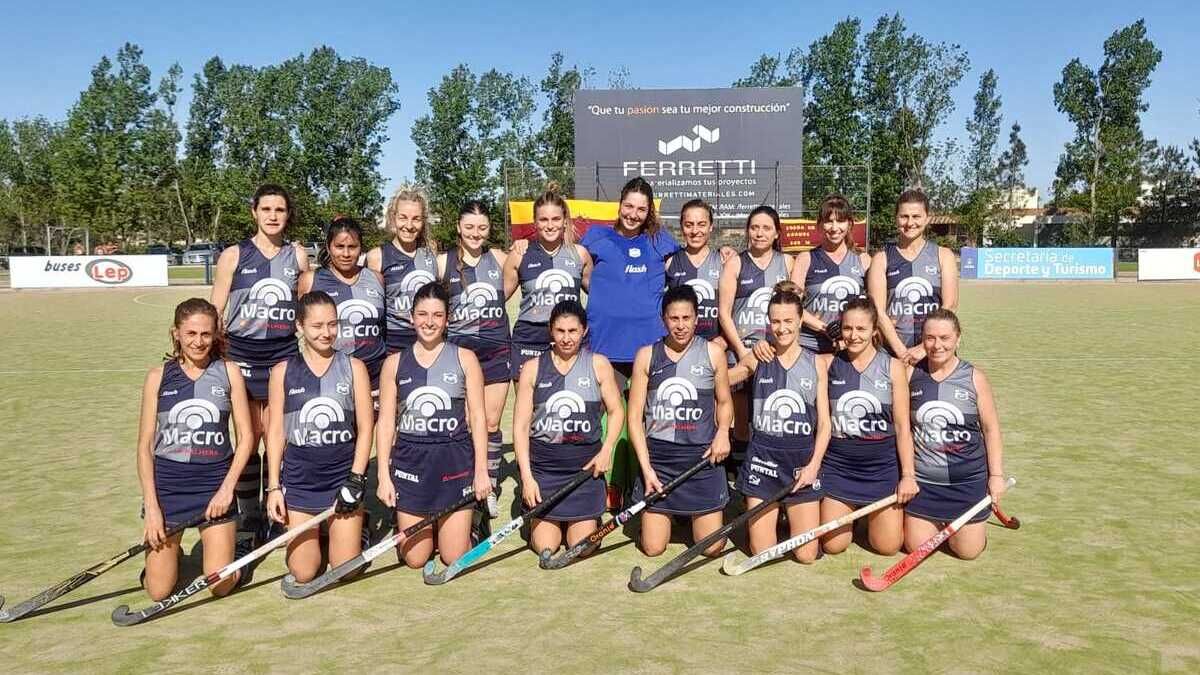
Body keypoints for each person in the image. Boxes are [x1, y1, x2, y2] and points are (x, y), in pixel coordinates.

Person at [135, 298, 255, 600]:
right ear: (176, 333)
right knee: (158, 592)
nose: (198, 342)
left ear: (215, 335)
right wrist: (152, 507)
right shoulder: (158, 376)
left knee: (220, 585)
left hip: (214, 485)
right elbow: (145, 446)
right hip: (169, 488)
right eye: (190, 333)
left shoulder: (229, 371)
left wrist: (227, 490)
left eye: (205, 334)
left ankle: (238, 549)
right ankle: (166, 558)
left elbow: (246, 438)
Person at [210, 183, 309, 543]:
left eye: (279, 210)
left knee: (279, 436)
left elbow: (306, 309)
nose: (272, 216)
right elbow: (216, 310)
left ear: (288, 214)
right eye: (266, 209)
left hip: (283, 354)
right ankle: (250, 513)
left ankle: (276, 503)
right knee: (249, 438)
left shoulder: (298, 256)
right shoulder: (233, 255)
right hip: (242, 356)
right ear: (254, 212)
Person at [375, 282, 491, 568]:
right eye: (423, 314)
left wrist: (481, 471)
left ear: (447, 319)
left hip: (454, 462)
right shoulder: (393, 363)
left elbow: (478, 418)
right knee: (415, 559)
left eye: (438, 315)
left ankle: (475, 522)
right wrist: (383, 476)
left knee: (453, 557)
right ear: (411, 317)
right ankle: (419, 523)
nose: (429, 322)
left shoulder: (465, 358)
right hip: (411, 463)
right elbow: (386, 422)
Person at [264, 292, 374, 583]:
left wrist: (356, 479)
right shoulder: (282, 372)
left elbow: (366, 428)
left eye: (332, 324)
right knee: (303, 572)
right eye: (317, 326)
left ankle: (358, 529)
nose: (326, 333)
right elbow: (276, 432)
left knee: (345, 570)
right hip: (301, 478)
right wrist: (274, 487)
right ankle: (325, 531)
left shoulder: (354, 367)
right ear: (299, 326)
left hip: (341, 475)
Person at [512, 300, 625, 555]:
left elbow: (617, 411)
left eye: (572, 331)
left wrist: (606, 450)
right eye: (560, 331)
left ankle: (588, 517)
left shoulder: (598, 364)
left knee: (581, 547)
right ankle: (540, 521)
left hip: (584, 471)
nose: (566, 338)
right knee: (546, 546)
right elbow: (520, 427)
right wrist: (527, 478)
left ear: (584, 330)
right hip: (545, 470)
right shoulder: (532, 368)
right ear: (551, 331)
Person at [627, 286, 733, 557]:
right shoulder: (646, 355)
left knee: (711, 548)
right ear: (663, 319)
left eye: (686, 318)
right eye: (674, 318)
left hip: (701, 459)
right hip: (660, 461)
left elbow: (724, 402)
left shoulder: (713, 353)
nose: (681, 325)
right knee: (653, 548)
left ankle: (696, 517)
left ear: (697, 319)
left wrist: (723, 433)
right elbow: (635, 418)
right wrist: (646, 468)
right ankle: (668, 517)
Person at [728, 282, 829, 562]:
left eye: (788, 321)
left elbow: (825, 426)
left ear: (800, 320)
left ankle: (790, 517)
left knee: (806, 555)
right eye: (775, 322)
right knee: (762, 552)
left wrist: (813, 467)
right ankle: (770, 518)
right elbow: (721, 381)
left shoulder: (816, 363)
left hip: (801, 463)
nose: (782, 328)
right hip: (763, 460)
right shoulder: (759, 357)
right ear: (768, 323)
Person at [904, 309, 1007, 559]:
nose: (937, 345)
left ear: (958, 339)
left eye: (945, 338)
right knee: (916, 547)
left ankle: (967, 530)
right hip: (925, 485)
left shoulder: (974, 377)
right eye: (930, 338)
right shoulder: (910, 374)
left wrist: (996, 476)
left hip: (967, 483)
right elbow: (902, 428)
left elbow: (991, 429)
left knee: (967, 552)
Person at [818, 298, 917, 556]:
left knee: (887, 547)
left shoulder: (893, 367)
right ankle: (854, 513)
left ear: (874, 330)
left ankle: (868, 517)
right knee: (833, 545)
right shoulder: (827, 364)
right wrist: (763, 346)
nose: (853, 335)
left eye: (861, 329)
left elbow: (902, 427)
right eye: (847, 328)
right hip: (839, 467)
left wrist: (908, 475)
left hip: (881, 469)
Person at [437, 200, 514, 517]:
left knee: (492, 422)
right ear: (458, 227)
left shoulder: (500, 258)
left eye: (482, 227)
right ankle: (465, 482)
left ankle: (489, 487)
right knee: (467, 423)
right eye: (469, 227)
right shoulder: (442, 262)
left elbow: (513, 287)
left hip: (496, 350)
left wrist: (522, 245)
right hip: (459, 353)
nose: (475, 233)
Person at [718, 205, 792, 468]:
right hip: (743, 347)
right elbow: (724, 313)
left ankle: (768, 463)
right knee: (739, 407)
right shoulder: (736, 262)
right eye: (754, 228)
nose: (759, 233)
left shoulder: (787, 262)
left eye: (766, 228)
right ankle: (737, 464)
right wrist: (741, 350)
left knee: (770, 407)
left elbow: (795, 308)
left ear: (776, 233)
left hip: (775, 348)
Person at [503, 186, 594, 379]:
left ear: (564, 221)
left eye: (556, 219)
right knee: (528, 398)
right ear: (535, 222)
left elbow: (599, 296)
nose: (550, 225)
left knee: (570, 395)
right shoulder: (519, 254)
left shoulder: (580, 254)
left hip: (569, 337)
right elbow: (496, 299)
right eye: (543, 219)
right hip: (530, 338)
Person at [867, 189, 959, 364]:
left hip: (935, 351)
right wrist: (902, 352)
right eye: (904, 216)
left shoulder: (944, 255)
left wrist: (924, 348)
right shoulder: (881, 259)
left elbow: (950, 306)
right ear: (896, 218)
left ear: (927, 218)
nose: (910, 223)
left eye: (916, 216)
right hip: (893, 353)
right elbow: (878, 311)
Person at [298, 217, 387, 392]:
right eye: (339, 246)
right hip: (331, 375)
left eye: (352, 247)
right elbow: (303, 328)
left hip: (376, 377)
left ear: (361, 248)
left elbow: (383, 327)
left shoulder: (376, 278)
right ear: (328, 246)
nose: (346, 254)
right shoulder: (310, 280)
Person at [791, 194, 872, 353]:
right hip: (811, 347)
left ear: (850, 224)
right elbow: (793, 306)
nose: (834, 228)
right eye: (829, 221)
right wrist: (825, 328)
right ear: (820, 225)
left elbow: (873, 307)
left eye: (840, 221)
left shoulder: (863, 260)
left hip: (851, 347)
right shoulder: (805, 258)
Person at [366, 184, 438, 356]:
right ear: (393, 217)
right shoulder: (377, 256)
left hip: (430, 340)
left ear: (423, 221)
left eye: (416, 219)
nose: (409, 225)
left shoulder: (431, 252)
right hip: (395, 344)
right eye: (403, 217)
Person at [665, 199, 725, 346]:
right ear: (681, 227)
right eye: (689, 225)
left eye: (701, 224)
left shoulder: (724, 261)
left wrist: (724, 339)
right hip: (679, 346)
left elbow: (733, 308)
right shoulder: (669, 262)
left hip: (715, 345)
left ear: (711, 226)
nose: (695, 231)